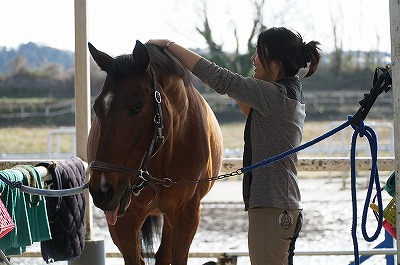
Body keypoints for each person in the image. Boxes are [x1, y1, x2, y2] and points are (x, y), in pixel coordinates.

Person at [148, 26, 321, 265]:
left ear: (275, 63)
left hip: (271, 206)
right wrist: (235, 87)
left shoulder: (273, 95)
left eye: (258, 54)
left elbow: (220, 79)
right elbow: (238, 93)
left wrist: (169, 45)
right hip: (282, 205)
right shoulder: (290, 92)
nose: (253, 59)